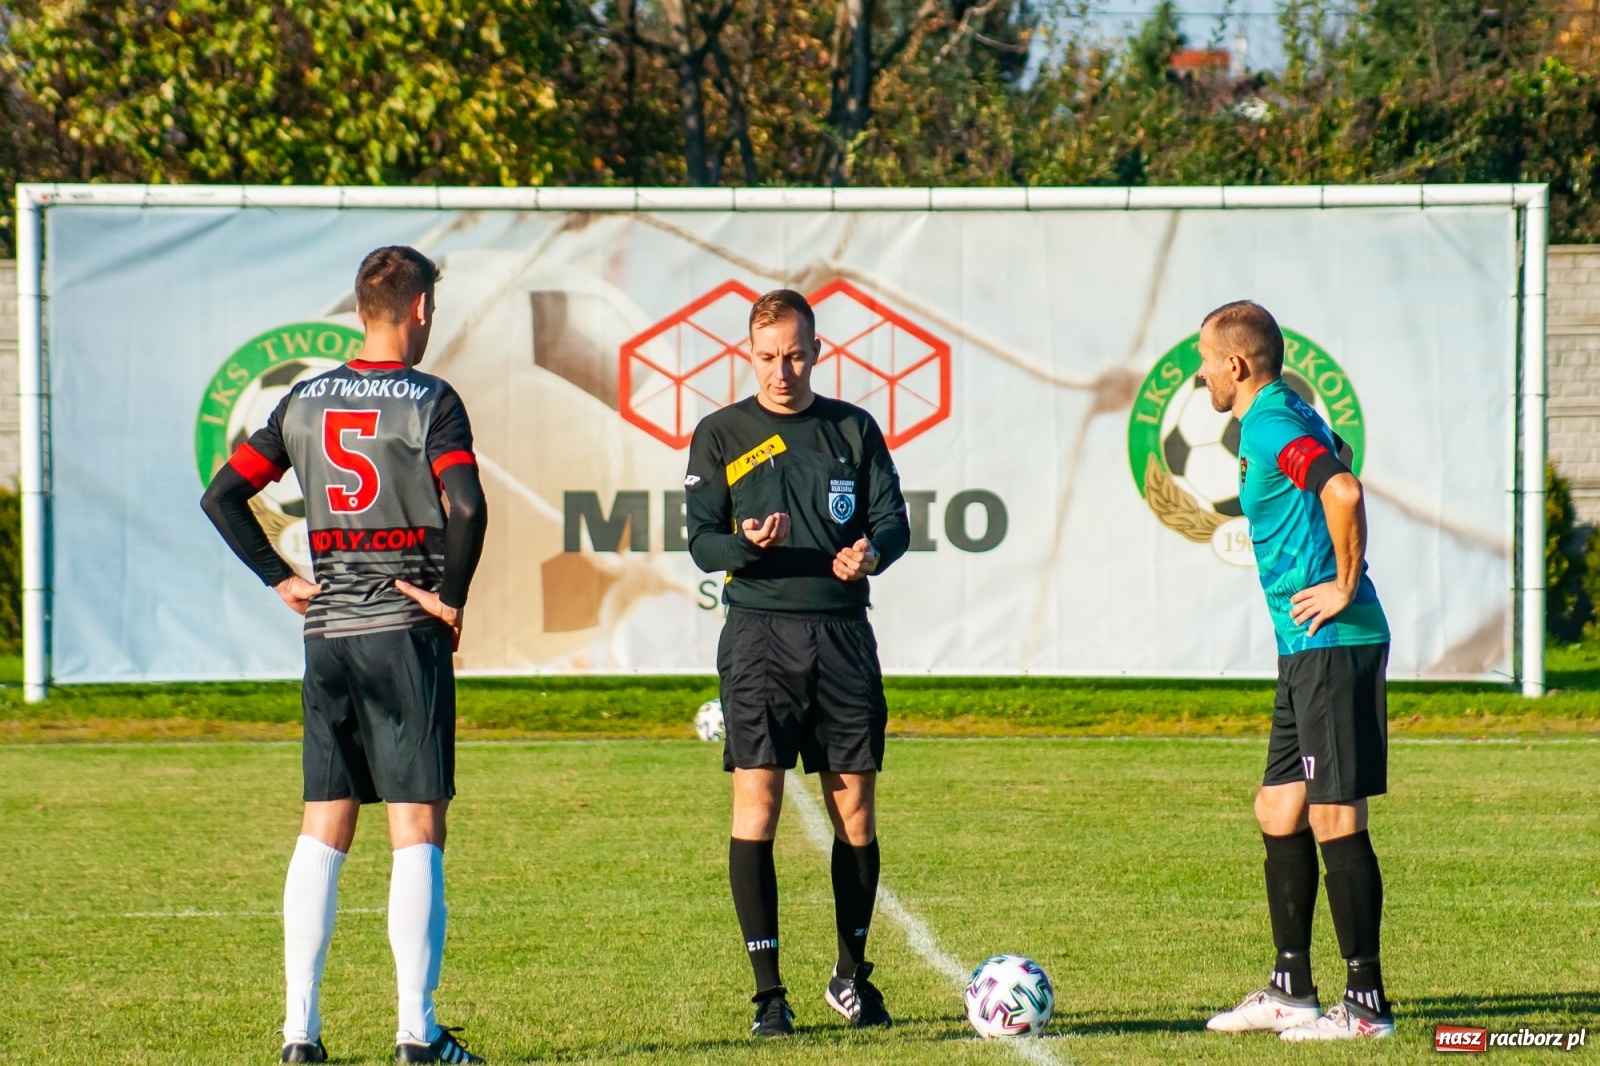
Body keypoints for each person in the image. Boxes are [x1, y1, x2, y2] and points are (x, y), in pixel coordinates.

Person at [200, 246, 488, 1065]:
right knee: (416, 830)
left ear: (363, 307)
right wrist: (451, 597)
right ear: (421, 309)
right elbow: (466, 507)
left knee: (323, 832)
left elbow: (222, 495)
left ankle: (300, 1035)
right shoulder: (432, 399)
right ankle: (415, 1033)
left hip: (327, 634)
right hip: (402, 634)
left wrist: (279, 579)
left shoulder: (303, 399)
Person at [684, 289, 911, 1037]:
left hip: (843, 638)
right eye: (766, 356)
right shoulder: (721, 433)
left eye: (794, 354)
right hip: (758, 640)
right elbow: (702, 542)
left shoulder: (852, 428)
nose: (781, 370)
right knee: (759, 809)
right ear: (748, 356)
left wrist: (870, 551)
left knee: (856, 811)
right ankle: (767, 995)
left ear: (817, 350)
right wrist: (747, 542)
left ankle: (851, 976)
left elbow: (893, 522)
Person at [1196, 301, 1394, 1041]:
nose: (1204, 375)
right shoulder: (1289, 412)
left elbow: (1342, 488)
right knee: (1278, 808)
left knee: (1334, 815)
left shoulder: (1273, 421)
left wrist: (1343, 583)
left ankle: (1367, 1006)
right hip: (1303, 649)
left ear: (1237, 365)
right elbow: (1337, 454)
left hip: (1333, 641)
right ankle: (1292, 989)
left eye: (1207, 362)